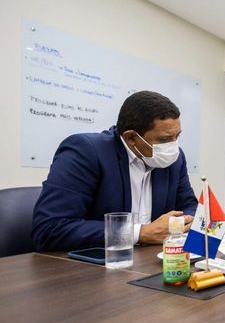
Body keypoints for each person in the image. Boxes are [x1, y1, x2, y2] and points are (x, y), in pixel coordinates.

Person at [32, 90, 198, 251]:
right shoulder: (86, 152)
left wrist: (182, 223)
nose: (173, 146)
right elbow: (50, 228)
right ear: (131, 138)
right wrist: (140, 233)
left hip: (152, 260)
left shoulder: (174, 160)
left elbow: (189, 206)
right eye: (164, 139)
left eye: (177, 136)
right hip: (97, 262)